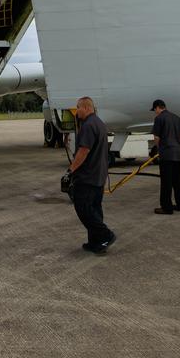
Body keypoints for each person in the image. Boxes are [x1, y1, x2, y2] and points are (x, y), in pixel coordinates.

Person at [67, 97, 116, 255]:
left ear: (87, 107)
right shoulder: (99, 123)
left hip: (88, 176)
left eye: (78, 107)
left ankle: (106, 235)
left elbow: (84, 151)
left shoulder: (88, 125)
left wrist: (72, 169)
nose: (76, 110)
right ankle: (96, 242)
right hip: (99, 175)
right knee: (95, 209)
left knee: (83, 209)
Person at [149, 99, 180, 214]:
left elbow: (156, 137)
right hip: (177, 154)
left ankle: (167, 207)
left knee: (166, 182)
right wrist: (178, 144)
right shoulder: (176, 117)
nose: (155, 112)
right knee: (176, 182)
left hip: (166, 155)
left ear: (157, 108)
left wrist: (159, 147)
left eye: (154, 110)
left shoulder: (159, 118)